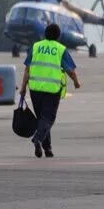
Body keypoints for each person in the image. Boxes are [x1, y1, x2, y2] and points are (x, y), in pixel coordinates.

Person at [19, 24, 81, 158]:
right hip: (52, 90)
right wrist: (76, 81)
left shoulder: (36, 47)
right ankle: (38, 139)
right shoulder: (60, 49)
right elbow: (70, 70)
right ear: (58, 36)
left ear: (44, 34)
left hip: (35, 89)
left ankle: (47, 149)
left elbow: (27, 69)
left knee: (42, 118)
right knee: (48, 118)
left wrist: (23, 87)